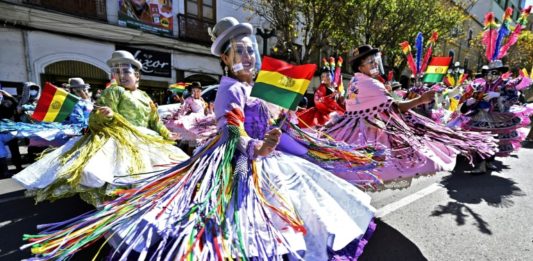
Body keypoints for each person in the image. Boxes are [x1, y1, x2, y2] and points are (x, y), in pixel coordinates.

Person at [22, 17, 376, 260]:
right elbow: (232, 131)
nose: (248, 55)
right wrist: (259, 146)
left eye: (251, 48)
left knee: (306, 200)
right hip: (239, 159)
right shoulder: (229, 88)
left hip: (267, 156)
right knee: (242, 218)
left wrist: (287, 126)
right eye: (240, 50)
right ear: (225, 57)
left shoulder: (257, 88)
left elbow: (273, 120)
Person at [13, 50, 189, 206]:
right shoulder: (113, 91)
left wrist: (168, 134)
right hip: (121, 139)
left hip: (145, 139)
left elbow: (155, 121)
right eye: (117, 72)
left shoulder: (144, 96)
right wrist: (106, 115)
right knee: (121, 179)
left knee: (160, 173)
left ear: (137, 75)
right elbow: (94, 119)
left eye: (126, 71)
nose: (121, 76)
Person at [324, 45, 498, 188]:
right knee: (374, 167)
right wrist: (422, 99)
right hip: (366, 131)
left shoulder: (355, 81)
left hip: (352, 131)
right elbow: (397, 107)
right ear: (360, 67)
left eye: (375, 61)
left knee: (353, 168)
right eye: (370, 62)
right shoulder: (370, 83)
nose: (375, 65)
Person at [297, 59, 345, 128]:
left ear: (332, 76)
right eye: (323, 76)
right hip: (323, 113)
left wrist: (341, 99)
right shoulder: (322, 88)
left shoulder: (334, 88)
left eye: (328, 75)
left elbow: (338, 102)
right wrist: (331, 96)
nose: (325, 78)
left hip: (334, 112)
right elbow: (318, 101)